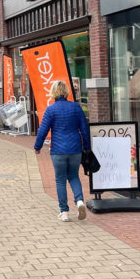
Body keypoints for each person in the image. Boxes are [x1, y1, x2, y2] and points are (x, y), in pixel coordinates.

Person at [34, 81, 89, 222]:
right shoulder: (76, 107)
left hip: (58, 150)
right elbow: (84, 129)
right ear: (66, 91)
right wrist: (87, 147)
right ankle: (80, 201)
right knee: (74, 176)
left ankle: (64, 212)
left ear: (53, 92)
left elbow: (42, 131)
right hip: (75, 149)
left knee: (60, 180)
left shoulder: (51, 110)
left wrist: (37, 146)